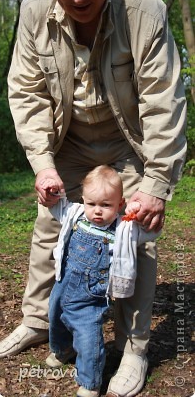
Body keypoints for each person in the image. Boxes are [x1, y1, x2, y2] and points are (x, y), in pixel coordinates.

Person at [0, 0, 186, 396]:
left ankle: (134, 346)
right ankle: (41, 320)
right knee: (49, 226)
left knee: (135, 235)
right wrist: (42, 163)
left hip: (128, 141)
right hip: (70, 141)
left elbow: (164, 98)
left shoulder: (144, 7)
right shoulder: (35, 8)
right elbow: (25, 90)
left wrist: (156, 182)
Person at [43, 165, 159, 397]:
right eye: (92, 204)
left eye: (106, 205)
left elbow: (151, 232)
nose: (97, 211)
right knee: (55, 317)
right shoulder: (75, 214)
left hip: (91, 295)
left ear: (120, 204)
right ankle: (63, 349)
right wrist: (52, 192)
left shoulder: (125, 228)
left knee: (88, 337)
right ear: (83, 200)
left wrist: (140, 214)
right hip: (64, 284)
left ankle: (90, 382)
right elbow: (57, 207)